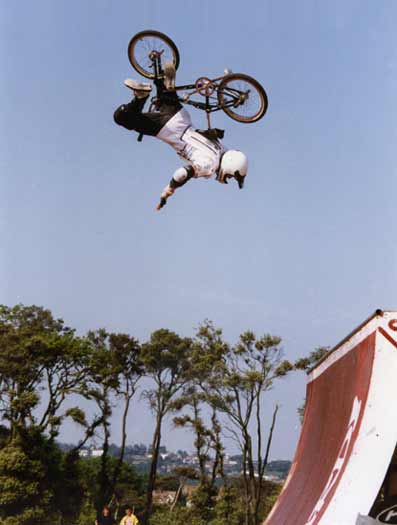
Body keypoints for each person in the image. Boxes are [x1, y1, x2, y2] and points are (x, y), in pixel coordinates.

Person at [113, 62, 248, 210]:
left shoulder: (222, 149)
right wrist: (169, 190)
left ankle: (164, 82)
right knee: (121, 117)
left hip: (181, 116)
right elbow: (182, 173)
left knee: (161, 84)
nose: (227, 178)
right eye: (230, 176)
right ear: (229, 166)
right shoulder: (209, 166)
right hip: (168, 129)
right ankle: (142, 96)